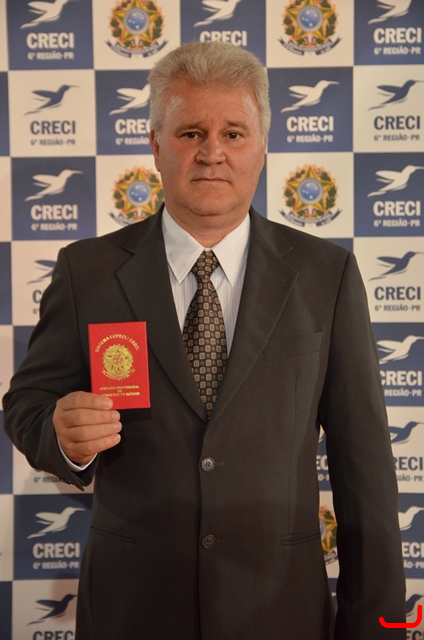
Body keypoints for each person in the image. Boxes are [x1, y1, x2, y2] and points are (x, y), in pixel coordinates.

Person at [3, 42, 405, 639]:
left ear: (262, 147)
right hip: (132, 613)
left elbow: (364, 471)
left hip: (281, 613)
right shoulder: (86, 272)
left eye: (233, 134)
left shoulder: (327, 275)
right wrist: (63, 436)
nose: (212, 152)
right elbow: (26, 406)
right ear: (155, 145)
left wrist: (381, 627)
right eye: (190, 132)